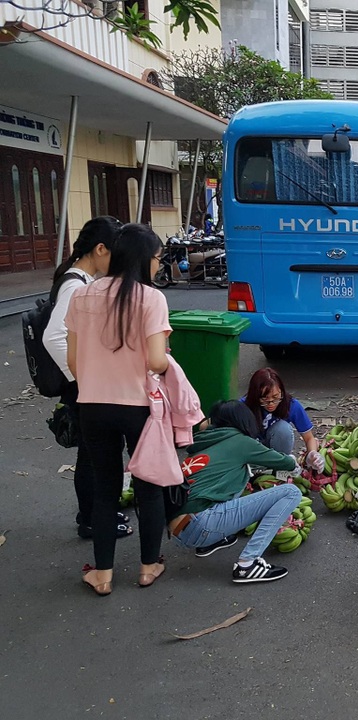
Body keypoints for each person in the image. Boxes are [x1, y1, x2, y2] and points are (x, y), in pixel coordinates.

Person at [66, 223, 172, 596]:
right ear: (144, 259)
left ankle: (103, 574)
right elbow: (156, 361)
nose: (159, 265)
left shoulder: (83, 295)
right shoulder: (151, 299)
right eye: (158, 258)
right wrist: (165, 362)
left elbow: (74, 362)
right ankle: (148, 567)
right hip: (138, 407)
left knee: (105, 489)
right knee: (149, 487)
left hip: (92, 407)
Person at [42, 216, 130, 540]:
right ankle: (92, 519)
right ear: (100, 249)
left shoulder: (80, 279)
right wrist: (82, 378)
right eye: (115, 255)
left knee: (93, 453)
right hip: (84, 385)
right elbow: (53, 336)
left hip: (85, 383)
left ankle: (94, 513)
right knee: (95, 455)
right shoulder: (75, 285)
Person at [168, 401, 301, 583]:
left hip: (178, 530)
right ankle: (248, 564)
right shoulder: (240, 441)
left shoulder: (203, 442)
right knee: (291, 492)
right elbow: (286, 463)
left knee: (237, 473)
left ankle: (212, 543)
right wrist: (296, 461)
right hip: (202, 525)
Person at [242, 368, 322, 471]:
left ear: (282, 392)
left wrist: (313, 454)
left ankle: (280, 466)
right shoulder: (243, 407)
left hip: (277, 448)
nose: (271, 404)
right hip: (253, 451)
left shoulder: (291, 404)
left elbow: (309, 438)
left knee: (283, 428)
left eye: (275, 397)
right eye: (265, 399)